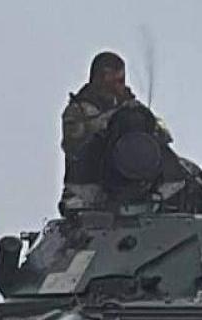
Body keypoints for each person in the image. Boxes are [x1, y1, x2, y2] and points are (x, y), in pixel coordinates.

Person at [60, 51, 171, 212]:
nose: (122, 86)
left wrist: (144, 119)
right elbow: (74, 147)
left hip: (132, 184)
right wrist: (113, 120)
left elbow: (162, 137)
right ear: (102, 79)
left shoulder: (128, 107)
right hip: (88, 187)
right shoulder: (78, 112)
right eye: (118, 81)